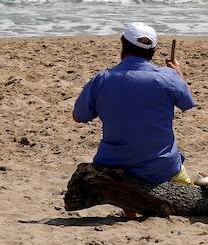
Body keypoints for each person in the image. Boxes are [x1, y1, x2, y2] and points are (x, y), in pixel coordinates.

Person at [72, 22, 196, 197]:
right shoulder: (168, 77)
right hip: (161, 166)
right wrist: (178, 75)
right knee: (188, 188)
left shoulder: (102, 79)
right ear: (153, 52)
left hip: (113, 163)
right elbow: (187, 103)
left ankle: (129, 209)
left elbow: (78, 117)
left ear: (123, 46)